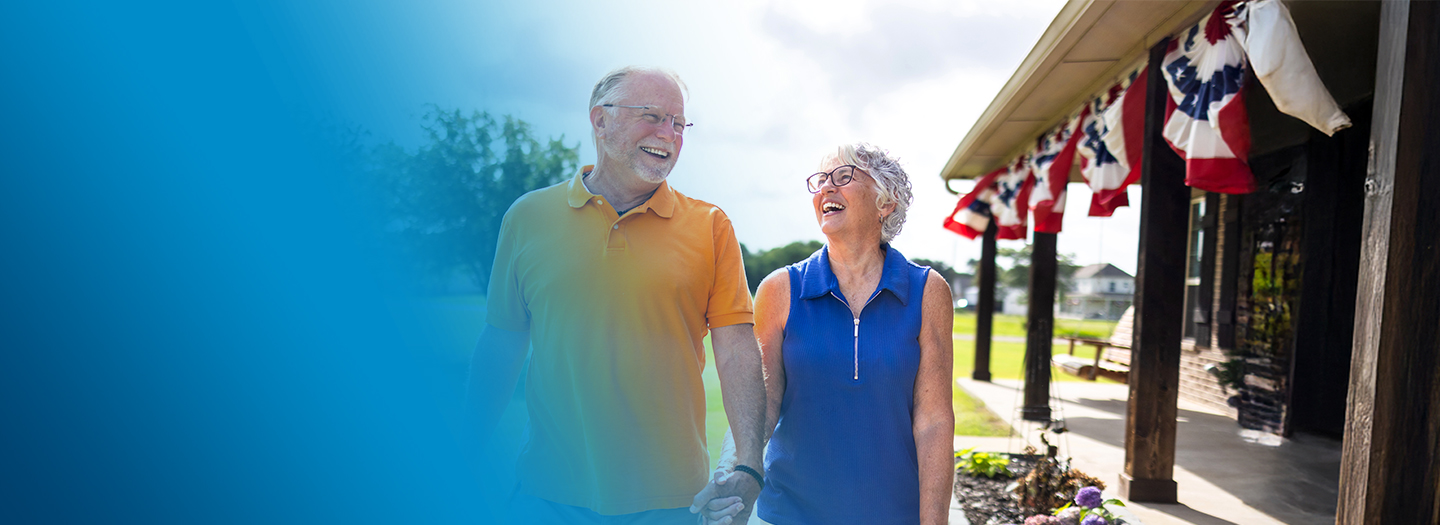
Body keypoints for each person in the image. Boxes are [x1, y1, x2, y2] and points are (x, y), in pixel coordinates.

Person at [466, 66, 768, 524]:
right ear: (600, 120)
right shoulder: (527, 217)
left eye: (678, 123)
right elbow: (502, 342)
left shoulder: (710, 226)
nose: (668, 133)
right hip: (545, 494)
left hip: (672, 501)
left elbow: (736, 350)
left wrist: (749, 465)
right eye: (652, 116)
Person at [694, 143, 955, 524]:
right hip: (790, 513)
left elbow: (933, 420)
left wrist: (934, 521)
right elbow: (760, 404)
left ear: (887, 202)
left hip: (893, 513)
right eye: (820, 181)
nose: (826, 189)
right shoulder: (780, 288)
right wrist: (736, 470)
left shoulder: (928, 290)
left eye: (844, 176)